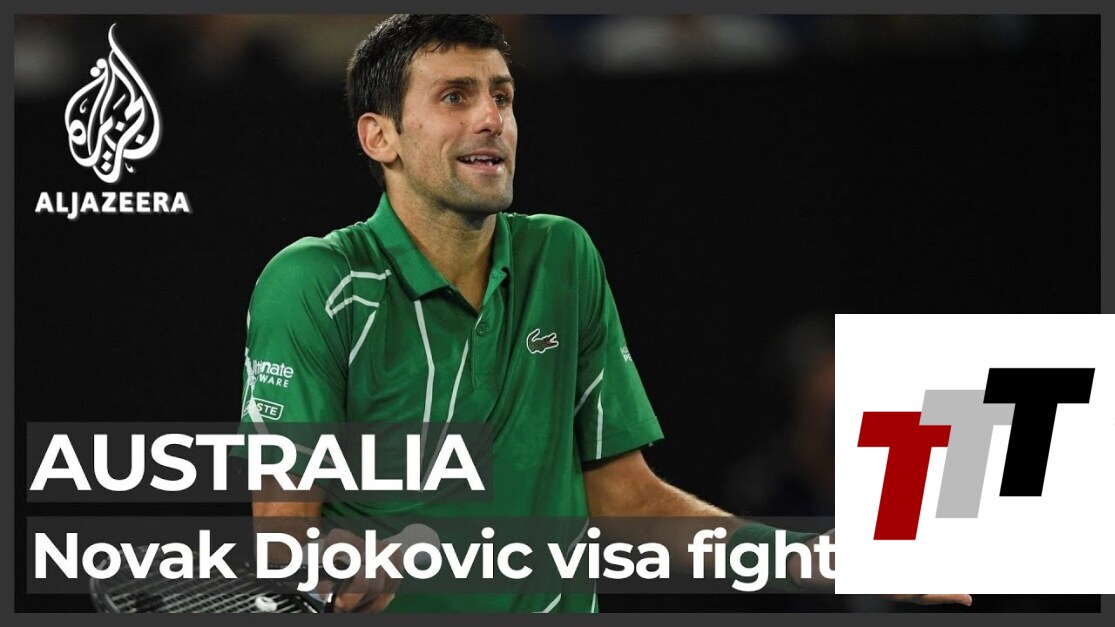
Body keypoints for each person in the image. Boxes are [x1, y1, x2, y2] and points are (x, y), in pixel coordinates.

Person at [239, 14, 970, 613]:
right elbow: (283, 539)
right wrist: (337, 563)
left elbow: (625, 499)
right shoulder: (314, 282)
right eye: (455, 97)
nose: (492, 118)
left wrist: (812, 556)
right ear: (380, 136)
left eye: (503, 96)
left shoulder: (562, 256)